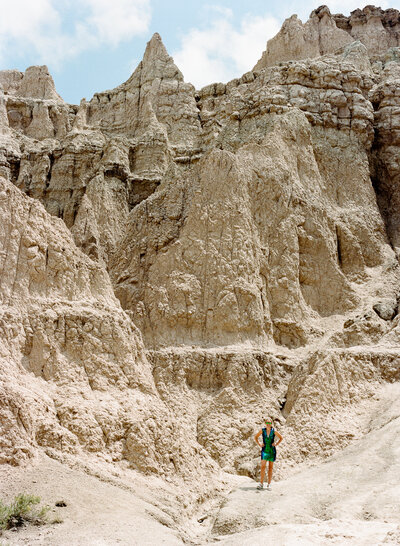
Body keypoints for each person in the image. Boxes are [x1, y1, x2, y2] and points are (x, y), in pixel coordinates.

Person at [254, 419, 283, 490]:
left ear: (271, 423)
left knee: (270, 468)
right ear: (265, 423)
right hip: (264, 450)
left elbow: (281, 438)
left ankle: (269, 484)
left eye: (269, 422)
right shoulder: (262, 430)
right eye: (266, 422)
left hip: (271, 450)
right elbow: (256, 437)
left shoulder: (274, 431)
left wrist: (276, 444)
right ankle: (261, 484)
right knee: (263, 467)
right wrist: (260, 444)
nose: (268, 424)